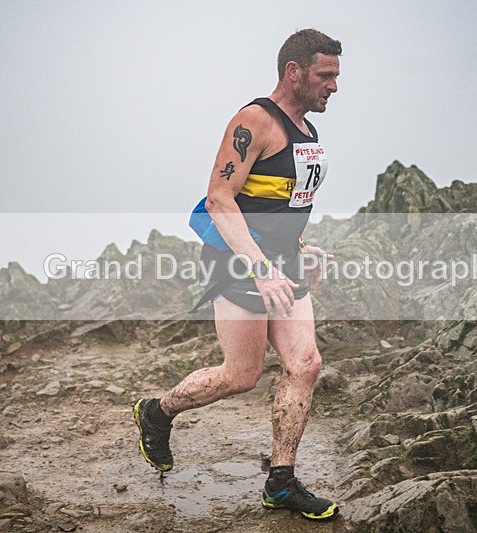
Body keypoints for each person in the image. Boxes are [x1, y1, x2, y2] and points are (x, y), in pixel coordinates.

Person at [134, 28, 341, 521]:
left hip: (283, 263)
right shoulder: (255, 120)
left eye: (336, 76)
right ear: (294, 72)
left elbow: (282, 204)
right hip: (239, 261)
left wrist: (303, 248)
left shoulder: (308, 130)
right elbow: (219, 198)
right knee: (241, 375)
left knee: (305, 365)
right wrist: (260, 266)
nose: (334, 86)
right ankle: (157, 412)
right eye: (325, 75)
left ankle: (281, 482)